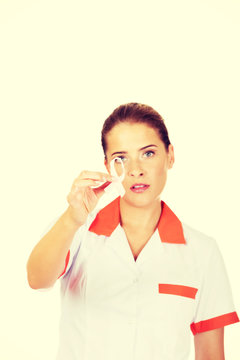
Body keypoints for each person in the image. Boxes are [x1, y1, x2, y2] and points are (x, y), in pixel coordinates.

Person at [27, 103, 239, 360]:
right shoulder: (77, 229)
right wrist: (73, 218)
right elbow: (37, 280)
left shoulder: (202, 251)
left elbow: (210, 354)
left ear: (170, 155)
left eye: (148, 154)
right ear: (108, 167)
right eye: (121, 158)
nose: (136, 170)